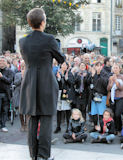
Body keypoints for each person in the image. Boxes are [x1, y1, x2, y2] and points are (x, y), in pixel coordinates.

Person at [19, 8, 65, 160]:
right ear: (43, 22)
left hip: (29, 83)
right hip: (46, 82)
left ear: (29, 22)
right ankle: (43, 156)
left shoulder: (23, 40)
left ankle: (34, 155)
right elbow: (61, 59)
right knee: (45, 120)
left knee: (32, 119)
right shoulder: (49, 39)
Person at [88, 62, 109, 128]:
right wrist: (92, 76)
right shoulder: (93, 73)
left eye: (99, 66)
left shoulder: (105, 74)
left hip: (102, 96)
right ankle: (95, 127)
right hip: (94, 96)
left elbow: (105, 84)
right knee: (93, 113)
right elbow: (88, 82)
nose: (97, 67)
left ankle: (102, 128)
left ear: (101, 67)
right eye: (96, 66)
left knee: (101, 113)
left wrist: (99, 75)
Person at [54, 62, 73, 134]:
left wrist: (66, 78)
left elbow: (71, 83)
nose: (64, 66)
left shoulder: (69, 73)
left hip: (66, 93)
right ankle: (58, 126)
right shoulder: (57, 73)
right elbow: (55, 83)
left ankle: (68, 127)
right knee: (58, 110)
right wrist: (58, 79)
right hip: (59, 93)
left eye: (65, 65)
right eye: (63, 65)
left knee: (67, 110)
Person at [107, 63, 123, 132]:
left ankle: (119, 128)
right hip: (112, 98)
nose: (115, 69)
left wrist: (116, 81)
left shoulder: (122, 77)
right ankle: (114, 128)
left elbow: (122, 88)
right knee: (113, 114)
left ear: (119, 69)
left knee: (118, 114)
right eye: (114, 68)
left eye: (116, 68)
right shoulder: (111, 77)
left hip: (120, 97)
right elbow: (108, 88)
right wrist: (111, 82)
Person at [13, 61, 29, 132]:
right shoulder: (17, 74)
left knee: (28, 111)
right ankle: (22, 124)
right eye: (23, 67)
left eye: (25, 67)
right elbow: (15, 83)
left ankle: (27, 124)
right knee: (20, 111)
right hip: (19, 94)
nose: (24, 68)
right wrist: (22, 78)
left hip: (27, 94)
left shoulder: (29, 75)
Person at [0, 56, 14, 132]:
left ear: (6, 62)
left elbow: (9, 81)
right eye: (0, 61)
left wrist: (2, 77)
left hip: (6, 94)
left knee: (5, 110)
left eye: (3, 61)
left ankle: (3, 125)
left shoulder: (10, 71)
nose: (1, 63)